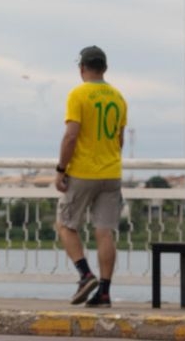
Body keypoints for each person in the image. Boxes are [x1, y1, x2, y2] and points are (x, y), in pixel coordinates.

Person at [54, 45, 127, 308]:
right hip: (111, 172)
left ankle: (85, 275)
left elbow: (71, 135)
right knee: (104, 232)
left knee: (65, 224)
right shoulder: (118, 97)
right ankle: (104, 293)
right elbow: (119, 140)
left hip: (83, 172)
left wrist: (61, 169)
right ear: (105, 68)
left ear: (82, 68)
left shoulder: (78, 94)